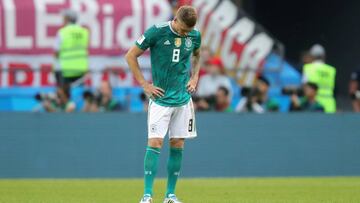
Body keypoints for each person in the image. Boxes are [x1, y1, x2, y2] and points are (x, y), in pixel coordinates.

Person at [125, 6, 201, 203]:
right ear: (175, 19)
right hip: (160, 99)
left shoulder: (194, 35)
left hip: (183, 99)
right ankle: (147, 195)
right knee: (155, 142)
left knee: (178, 144)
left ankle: (170, 195)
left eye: (188, 31)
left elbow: (197, 55)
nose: (186, 33)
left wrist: (194, 78)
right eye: (183, 29)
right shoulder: (156, 32)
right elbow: (130, 55)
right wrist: (144, 84)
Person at [54, 9, 89, 86]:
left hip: (65, 69)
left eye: (64, 18)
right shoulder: (84, 32)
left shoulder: (62, 32)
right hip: (80, 68)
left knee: (64, 95)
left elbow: (56, 52)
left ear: (67, 19)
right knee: (78, 94)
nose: (62, 20)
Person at [302, 44, 336, 113]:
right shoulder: (331, 70)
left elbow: (304, 86)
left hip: (314, 103)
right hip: (329, 103)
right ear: (323, 56)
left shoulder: (308, 68)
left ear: (312, 56)